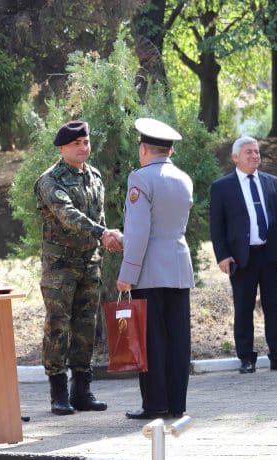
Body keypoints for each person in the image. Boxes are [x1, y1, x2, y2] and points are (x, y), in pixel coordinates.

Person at [34, 120, 122, 416]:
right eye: (76, 144)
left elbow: (98, 214)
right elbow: (67, 215)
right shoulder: (51, 180)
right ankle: (58, 393)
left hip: (89, 263)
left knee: (86, 327)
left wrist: (106, 236)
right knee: (58, 326)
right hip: (60, 267)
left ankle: (82, 391)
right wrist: (102, 233)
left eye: (85, 142)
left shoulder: (94, 176)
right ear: (62, 148)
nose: (83, 148)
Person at [117, 118, 194, 420]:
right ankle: (177, 403)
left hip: (149, 268)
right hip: (178, 266)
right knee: (178, 338)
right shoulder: (184, 178)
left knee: (152, 340)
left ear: (144, 148)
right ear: (170, 151)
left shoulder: (140, 179)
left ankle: (154, 404)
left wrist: (127, 275)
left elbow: (138, 232)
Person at [209, 136, 277, 374]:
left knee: (274, 307)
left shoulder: (271, 182)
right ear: (235, 157)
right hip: (241, 258)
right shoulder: (222, 187)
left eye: (256, 152)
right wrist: (222, 255)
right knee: (244, 308)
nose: (254, 156)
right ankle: (246, 358)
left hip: (269, 255)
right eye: (248, 152)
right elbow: (217, 226)